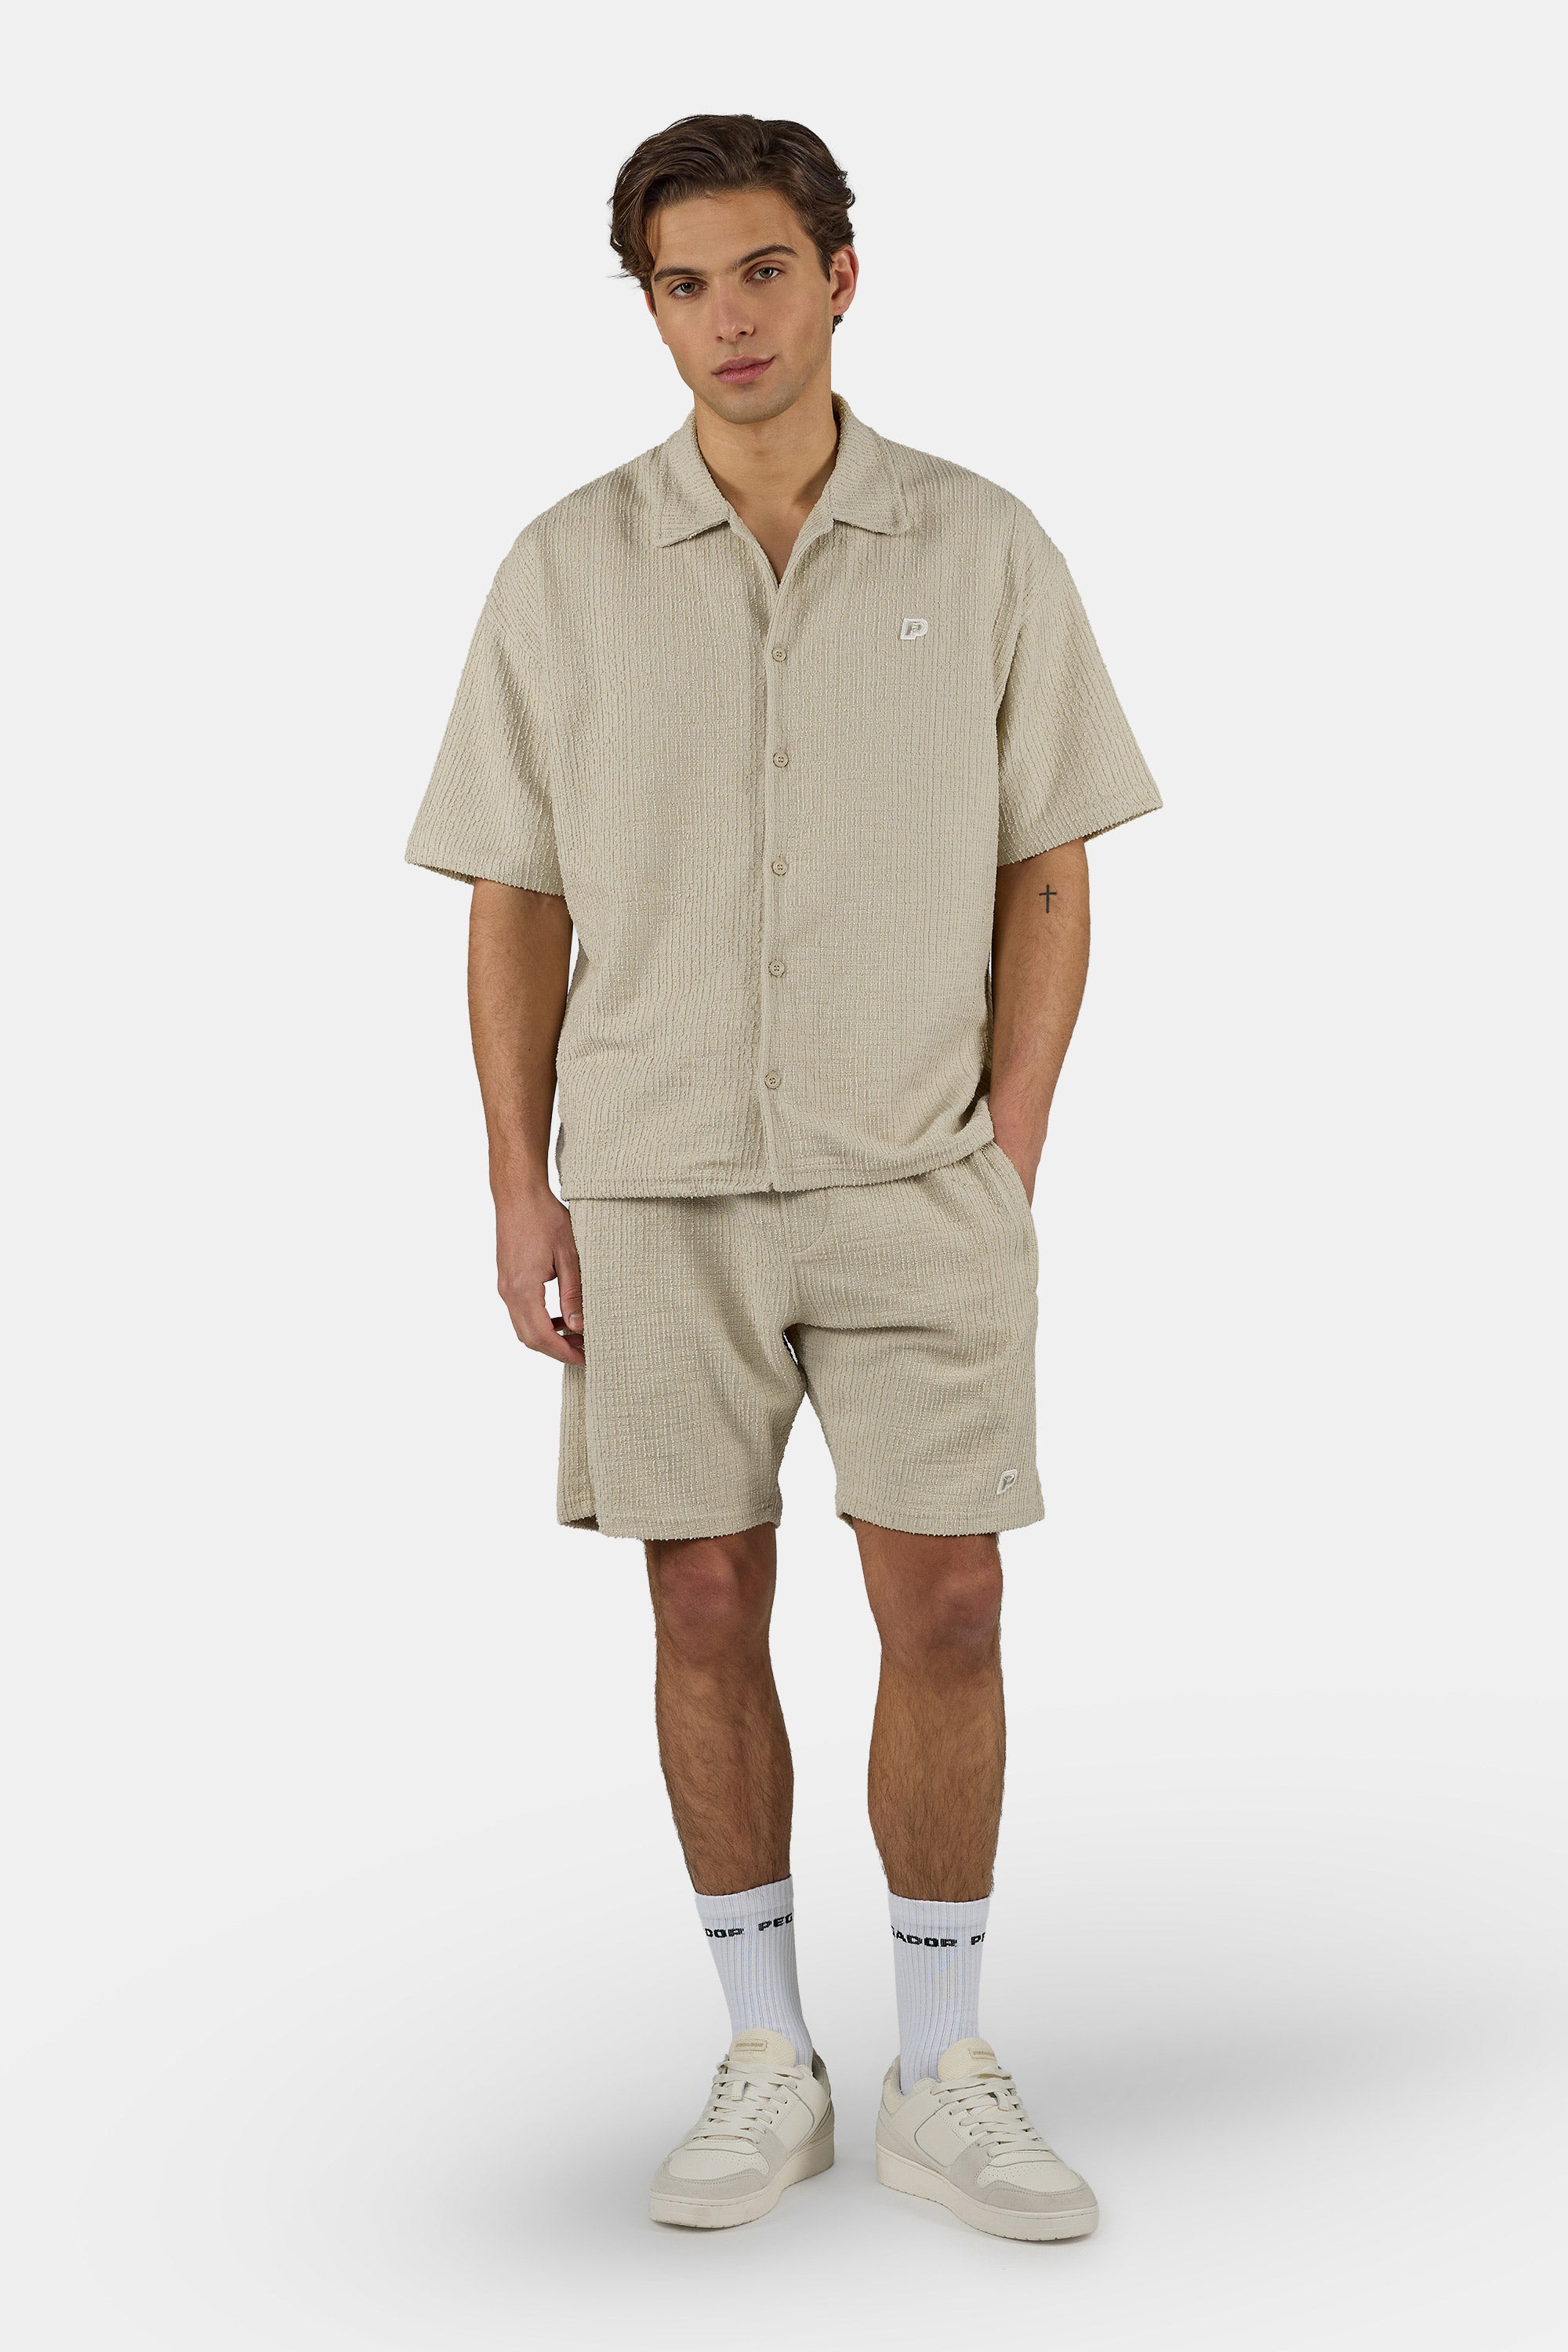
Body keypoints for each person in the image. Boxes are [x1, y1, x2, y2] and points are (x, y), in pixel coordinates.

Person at [406, 113, 1160, 2241]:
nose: (727, 320)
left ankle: (944, 2067)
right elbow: (514, 898)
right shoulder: (564, 568)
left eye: (762, 270)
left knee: (952, 1598)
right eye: (684, 284)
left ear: (840, 274)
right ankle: (765, 2055)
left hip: (917, 1181)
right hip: (655, 1180)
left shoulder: (982, 545)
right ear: (648, 307)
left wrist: (1007, 1143)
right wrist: (519, 1185)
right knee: (703, 1595)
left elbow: (1050, 866)